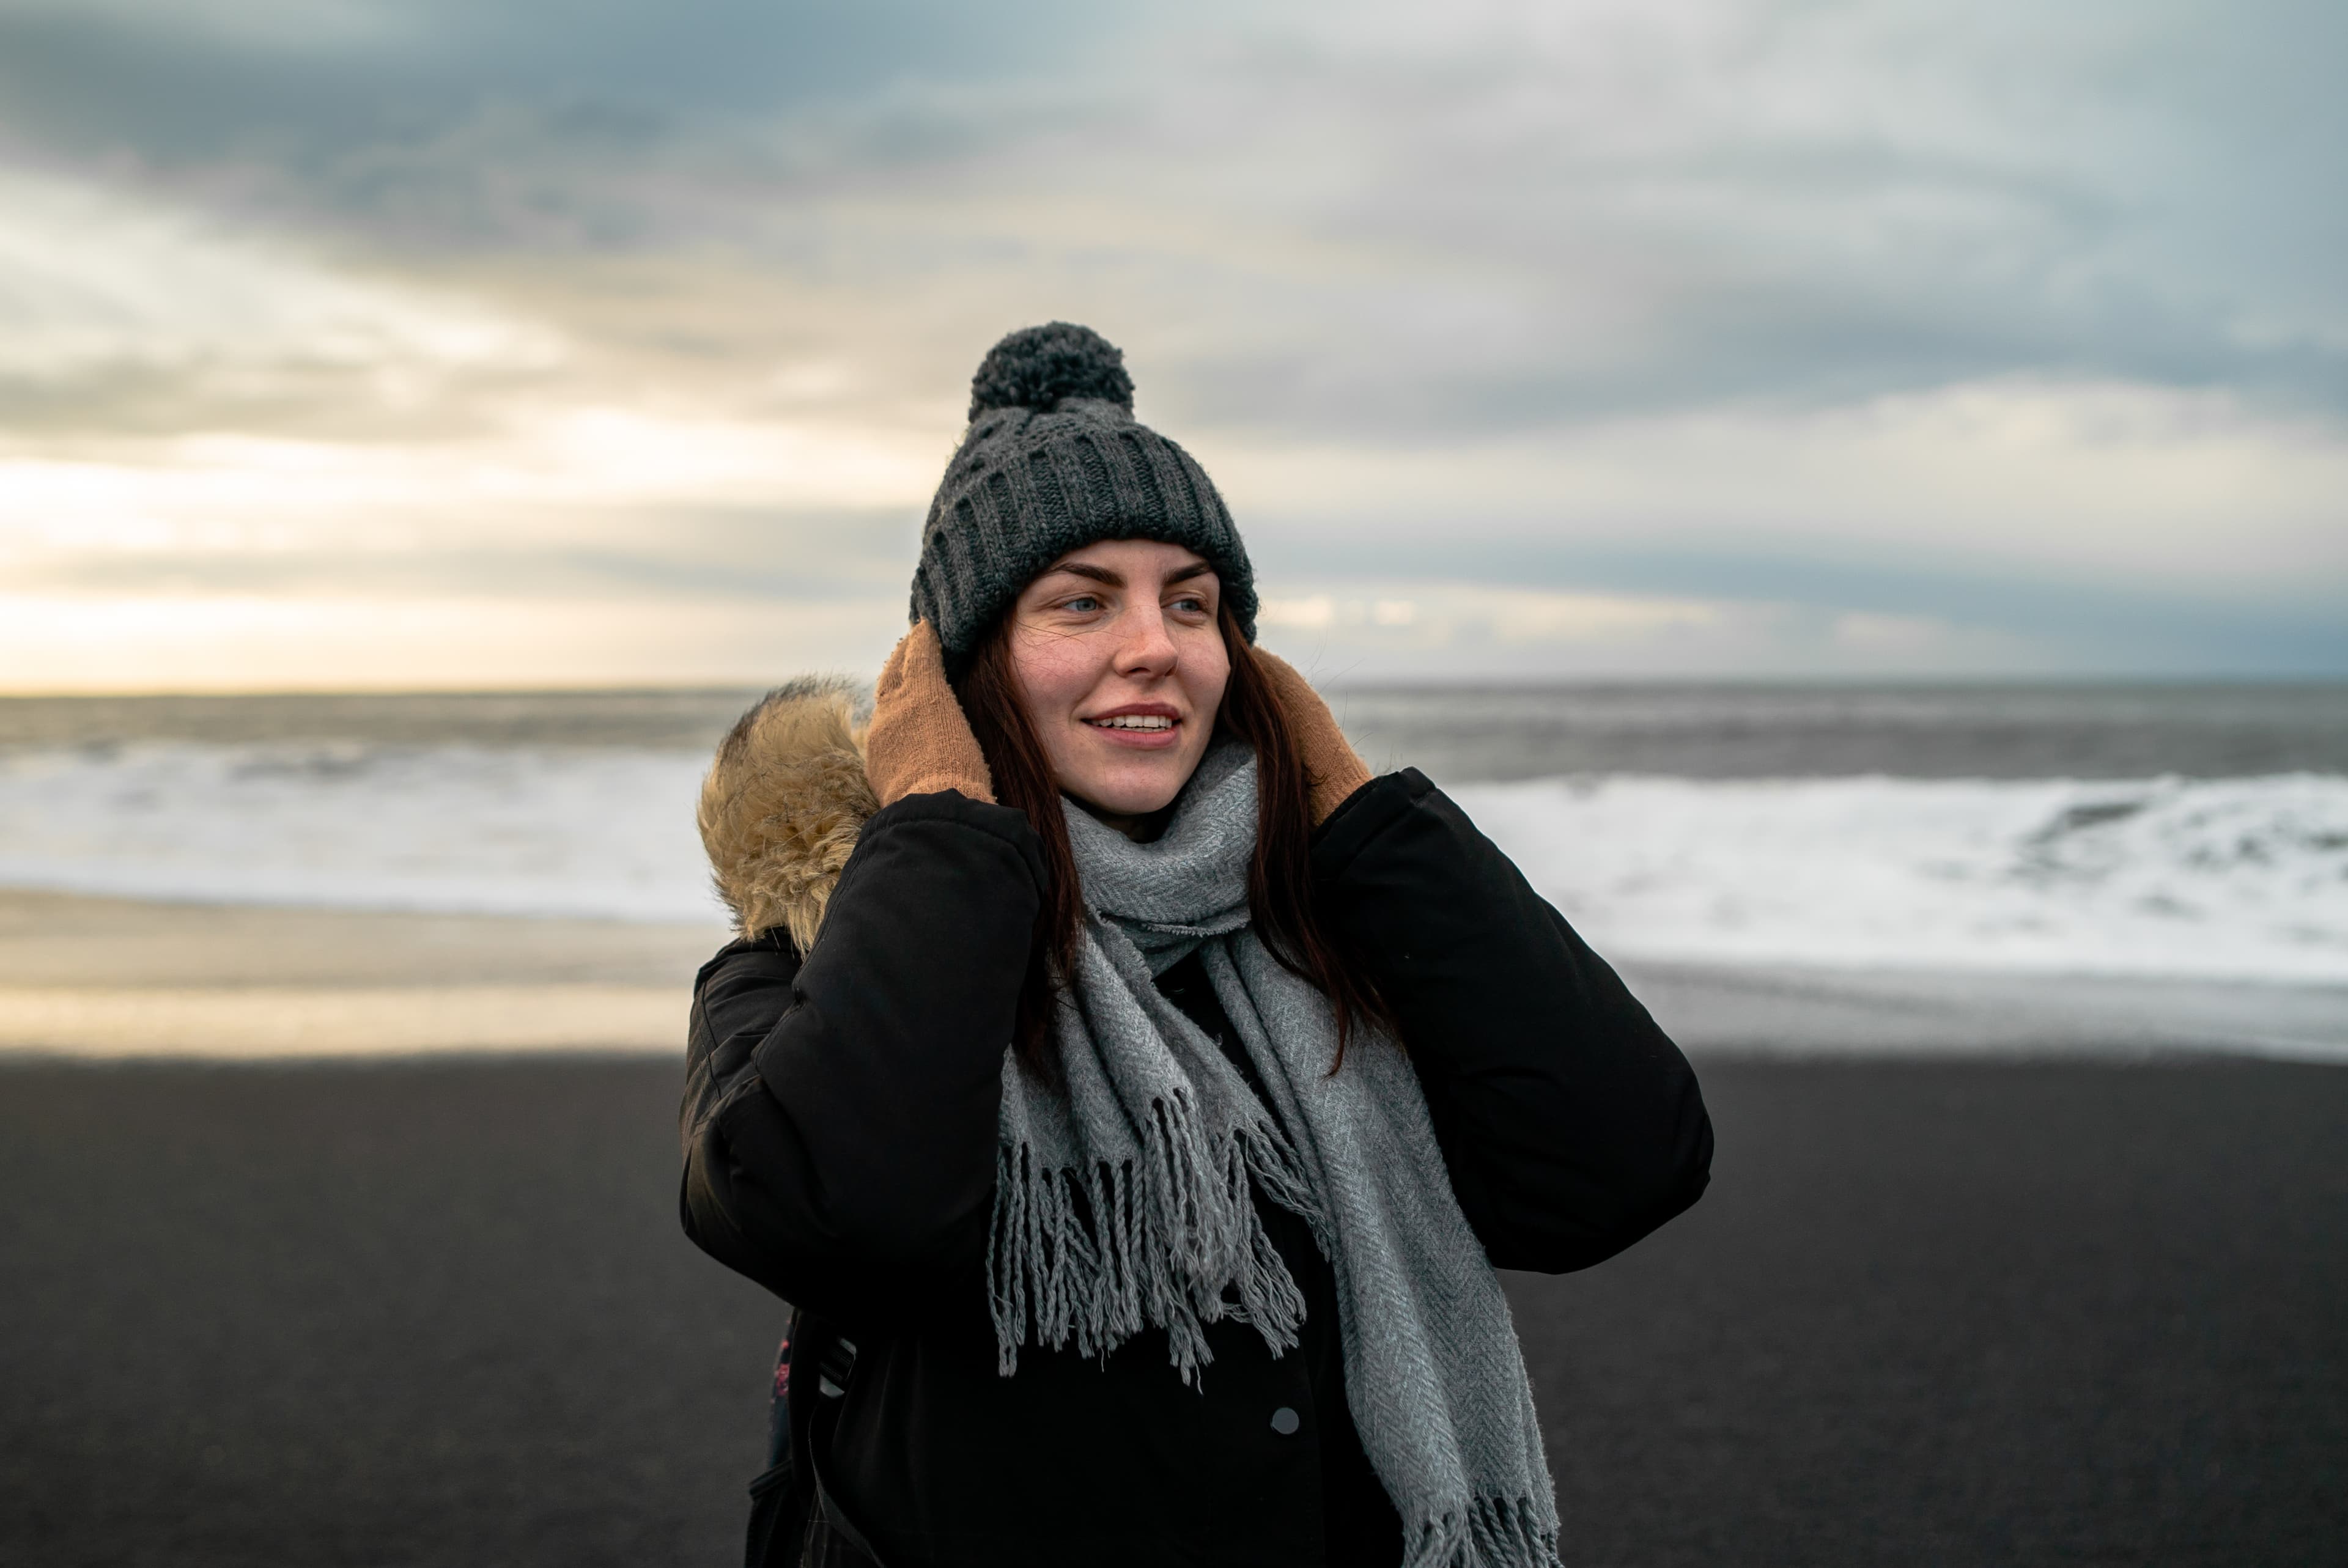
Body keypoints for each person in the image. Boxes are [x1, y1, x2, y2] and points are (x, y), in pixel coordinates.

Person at [680, 323, 1713, 1568]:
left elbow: (1618, 1167)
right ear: (957, 675)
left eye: (1192, 601)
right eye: (1081, 599)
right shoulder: (817, 947)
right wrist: (943, 832)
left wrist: (1358, 819)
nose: (1154, 643)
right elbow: (837, 1214)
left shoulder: (1323, 930)